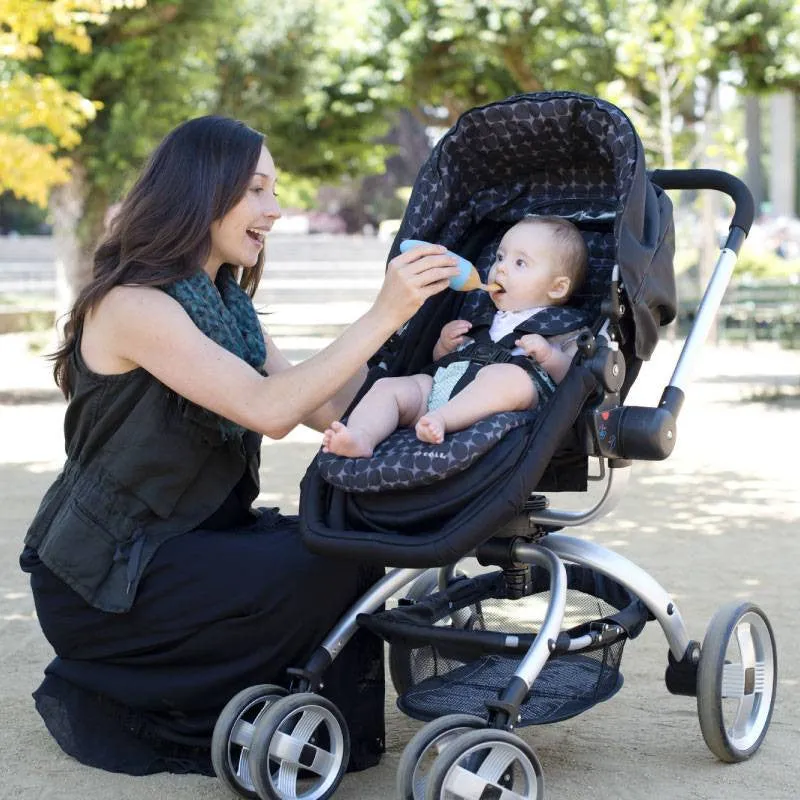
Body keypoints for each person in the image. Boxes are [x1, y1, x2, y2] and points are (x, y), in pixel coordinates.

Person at [19, 115, 459, 777]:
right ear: (201, 189)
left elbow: (324, 404)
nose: (275, 210)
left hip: (186, 548)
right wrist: (383, 313)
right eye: (257, 189)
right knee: (315, 564)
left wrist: (441, 374)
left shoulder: (229, 310)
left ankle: (295, 715)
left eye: (274, 191)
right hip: (111, 581)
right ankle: (224, 711)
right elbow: (267, 410)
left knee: (344, 544)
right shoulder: (134, 305)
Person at [322, 216, 588, 457]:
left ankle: (442, 420)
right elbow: (442, 362)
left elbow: (576, 376)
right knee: (388, 387)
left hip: (497, 407)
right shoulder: (482, 315)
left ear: (557, 287)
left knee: (510, 379)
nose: (501, 269)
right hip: (443, 389)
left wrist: (549, 356)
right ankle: (361, 436)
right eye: (499, 257)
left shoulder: (563, 328)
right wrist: (445, 345)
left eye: (520, 263)